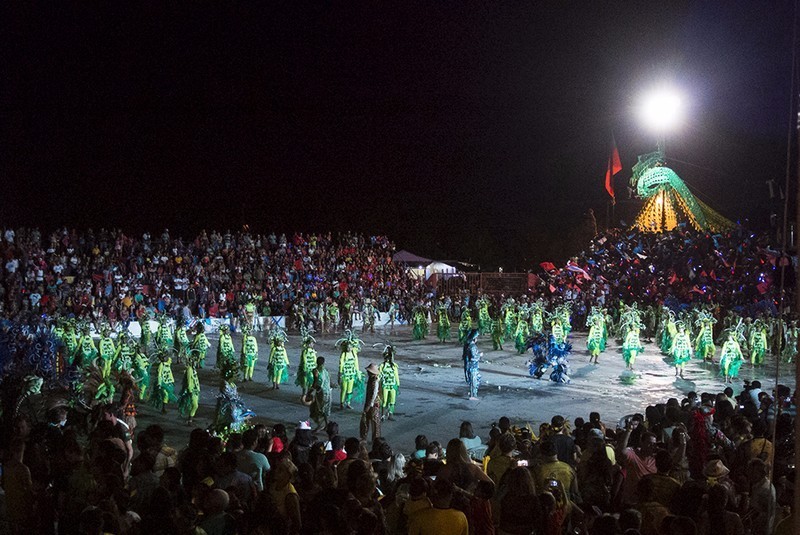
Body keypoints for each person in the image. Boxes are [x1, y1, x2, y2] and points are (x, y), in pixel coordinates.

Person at [178, 348, 202, 424]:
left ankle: (190, 418)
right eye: (194, 360)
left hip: (196, 390)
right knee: (195, 405)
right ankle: (190, 419)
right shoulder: (189, 370)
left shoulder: (193, 369)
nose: (196, 362)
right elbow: (188, 380)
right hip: (192, 390)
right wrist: (190, 390)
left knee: (195, 405)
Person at [308, 356, 331, 431]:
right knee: (325, 409)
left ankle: (320, 425)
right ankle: (327, 424)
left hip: (321, 392)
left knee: (316, 409)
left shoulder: (316, 371)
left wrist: (310, 391)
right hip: (328, 392)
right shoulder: (326, 370)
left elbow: (315, 382)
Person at [360, 363, 381, 443]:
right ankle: (363, 437)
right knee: (365, 421)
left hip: (373, 405)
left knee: (375, 423)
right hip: (369, 403)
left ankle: (375, 440)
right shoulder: (371, 379)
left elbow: (374, 394)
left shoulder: (375, 381)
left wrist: (369, 405)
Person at [378, 344, 400, 420]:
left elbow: (396, 375)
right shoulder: (382, 366)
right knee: (384, 400)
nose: (387, 359)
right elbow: (379, 375)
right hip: (385, 385)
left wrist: (398, 384)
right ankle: (383, 415)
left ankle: (390, 414)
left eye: (389, 357)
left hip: (392, 385)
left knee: (392, 400)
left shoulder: (394, 366)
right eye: (386, 357)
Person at [295, 328, 317, 396]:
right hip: (306, 369)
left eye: (312, 344)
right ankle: (304, 394)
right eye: (310, 344)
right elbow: (304, 361)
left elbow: (315, 360)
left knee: (311, 382)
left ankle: (308, 394)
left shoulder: (313, 352)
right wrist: (304, 369)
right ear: (308, 344)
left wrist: (316, 368)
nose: (312, 345)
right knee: (305, 382)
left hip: (312, 369)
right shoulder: (305, 351)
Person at [463, 328, 482, 400]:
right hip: (472, 366)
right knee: (474, 380)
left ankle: (472, 395)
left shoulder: (467, 345)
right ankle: (473, 395)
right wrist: (480, 355)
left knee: (472, 380)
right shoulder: (472, 346)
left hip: (468, 365)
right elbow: (473, 357)